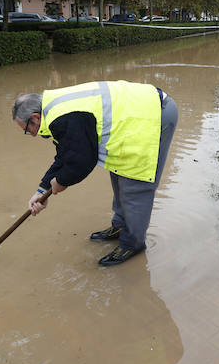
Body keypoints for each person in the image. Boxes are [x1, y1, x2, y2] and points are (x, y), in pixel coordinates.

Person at [12, 80, 178, 266]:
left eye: (27, 130)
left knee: (135, 184)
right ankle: (121, 226)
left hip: (153, 115)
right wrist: (42, 190)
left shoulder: (62, 117)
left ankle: (133, 243)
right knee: (118, 173)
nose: (32, 134)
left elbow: (82, 162)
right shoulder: (53, 109)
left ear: (35, 117)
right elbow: (66, 155)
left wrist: (61, 181)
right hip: (133, 118)